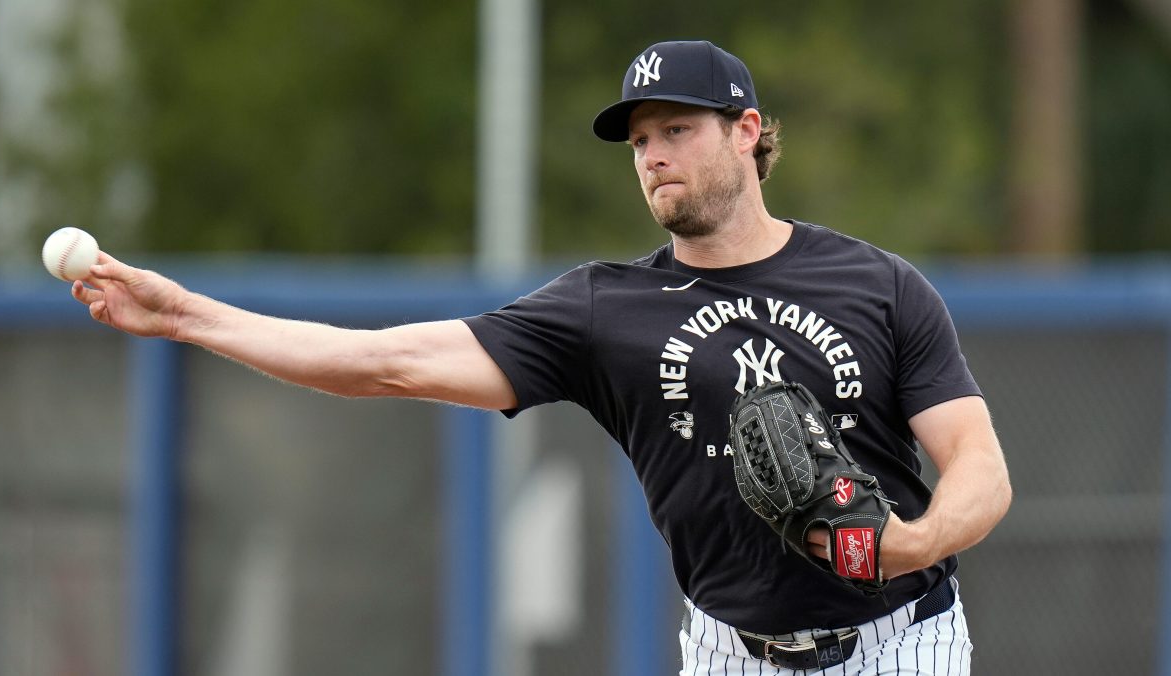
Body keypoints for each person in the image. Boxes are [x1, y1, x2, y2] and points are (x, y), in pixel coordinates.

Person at [72, 39, 1011, 675]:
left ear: (750, 131)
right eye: (639, 140)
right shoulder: (606, 309)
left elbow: (980, 469)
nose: (652, 155)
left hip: (903, 641)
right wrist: (187, 314)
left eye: (677, 129)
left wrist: (912, 544)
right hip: (732, 651)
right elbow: (382, 361)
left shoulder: (877, 285)